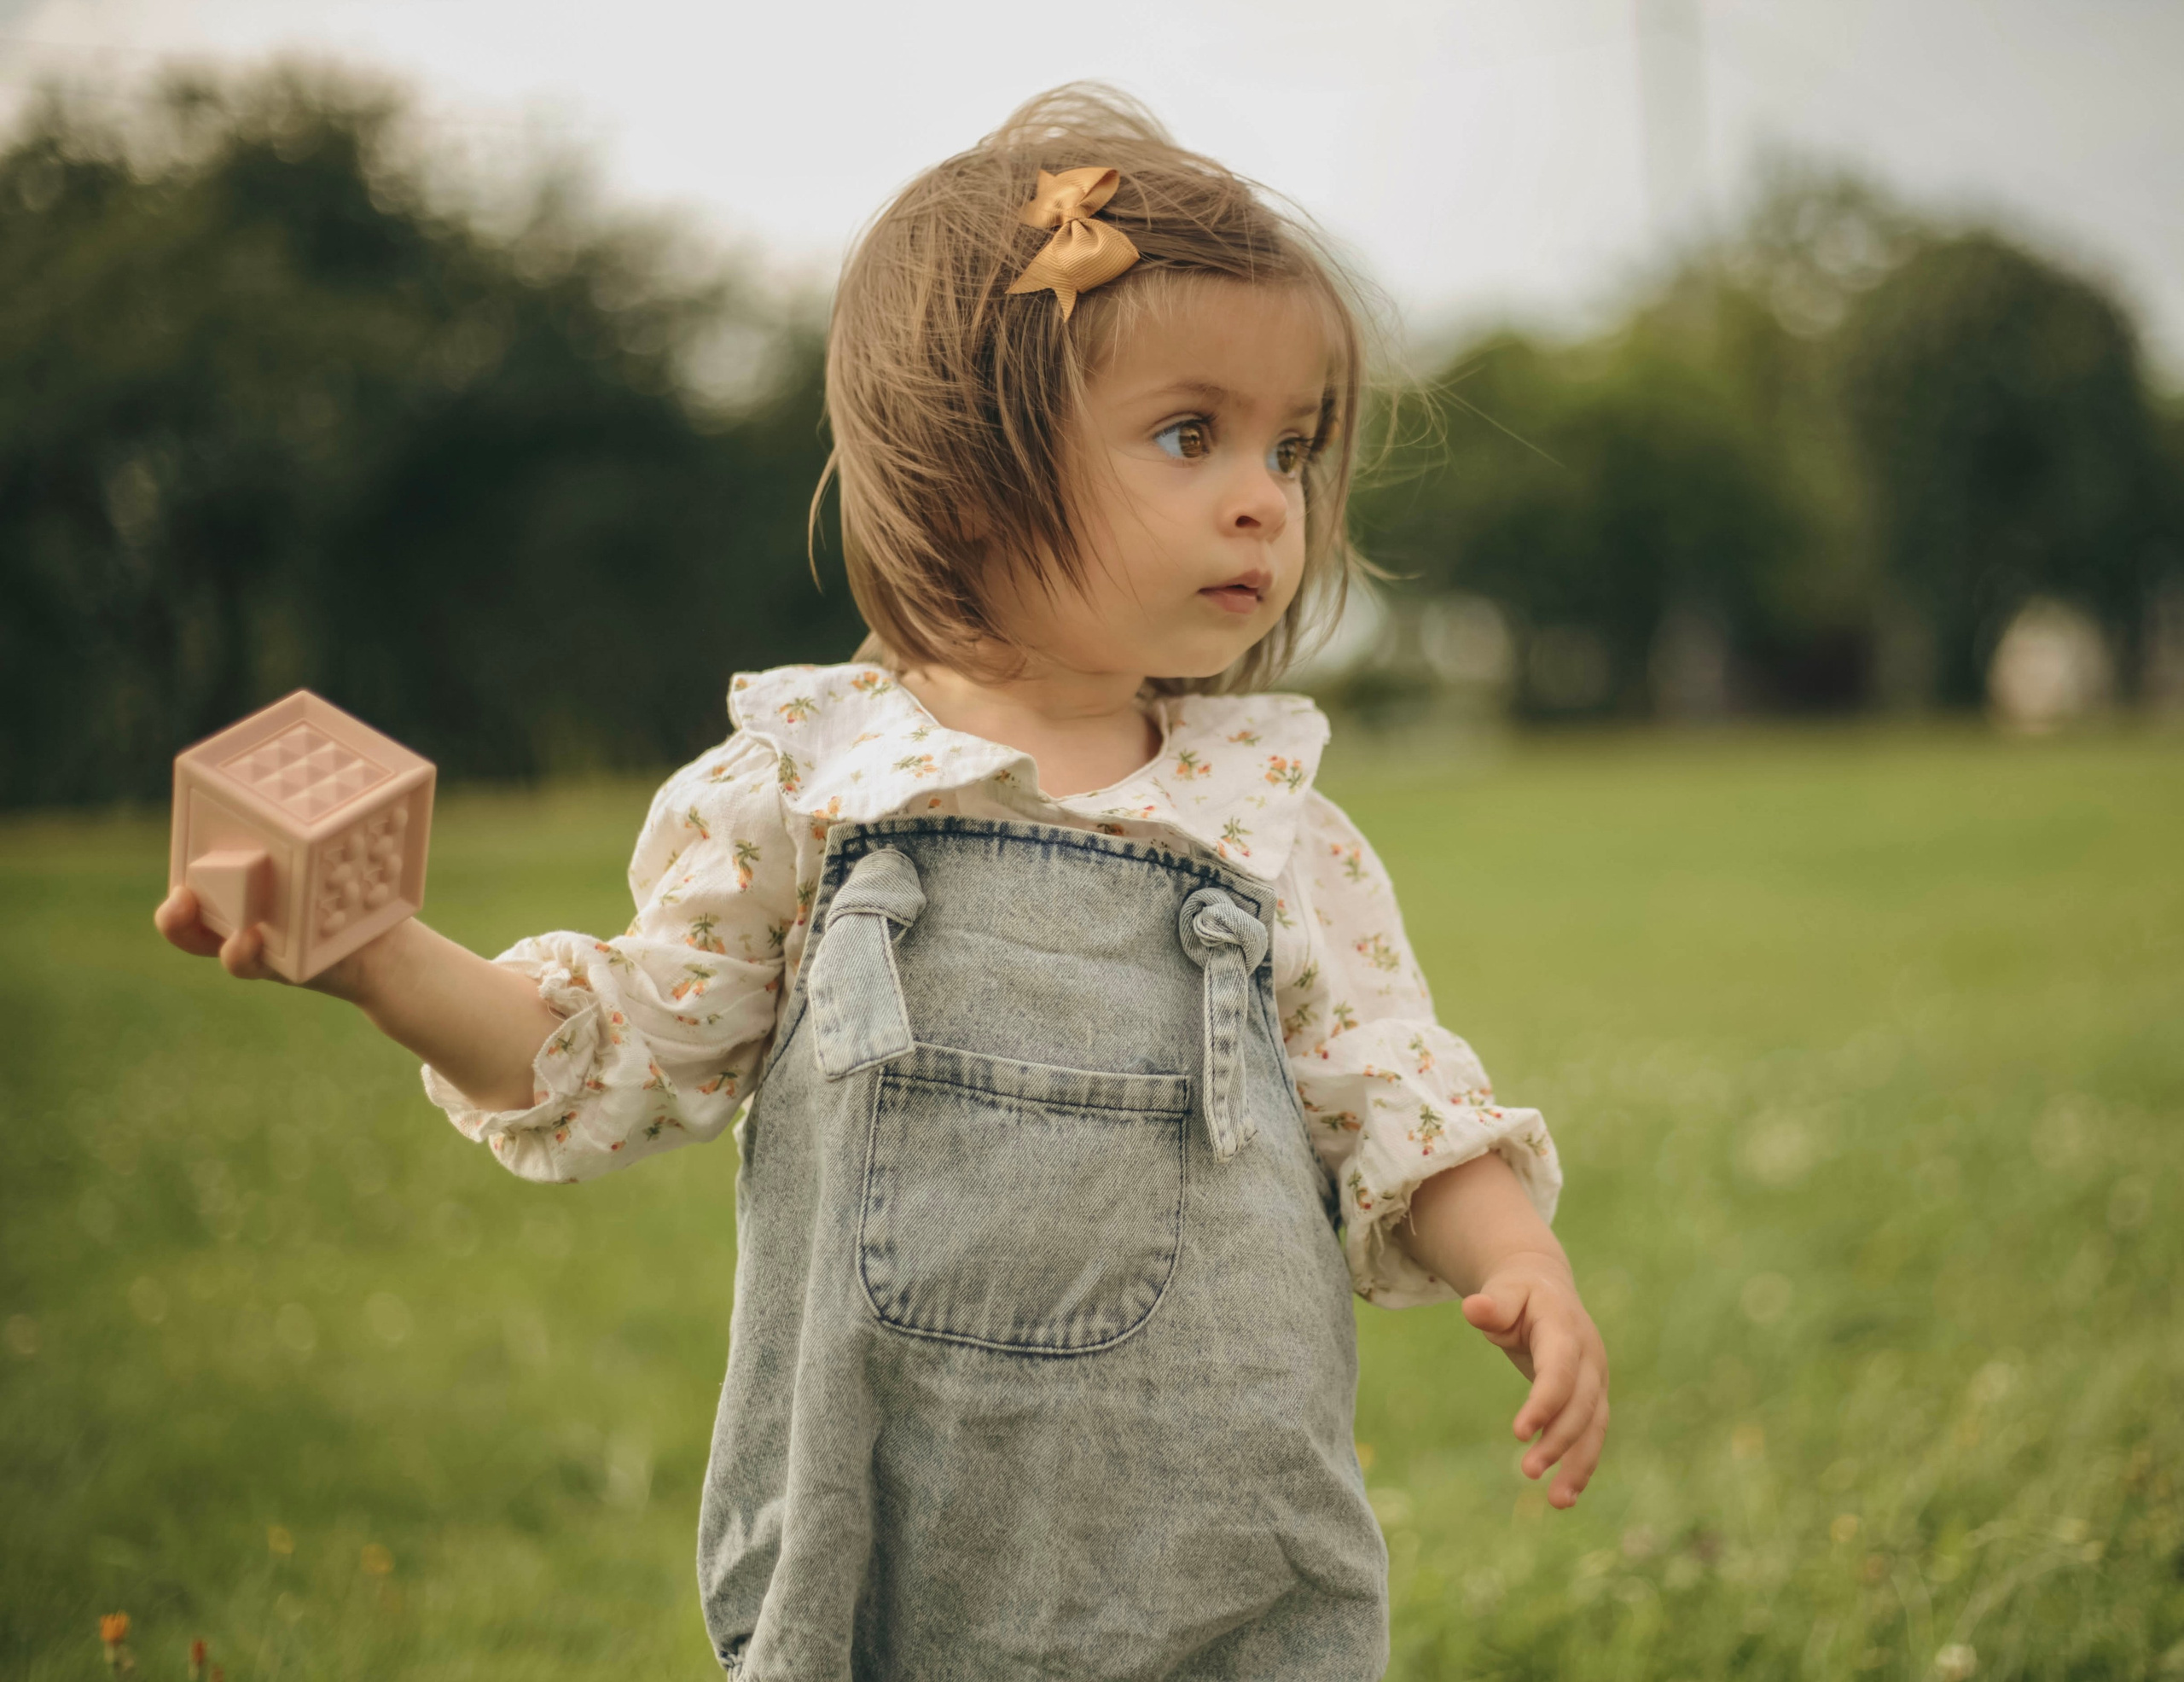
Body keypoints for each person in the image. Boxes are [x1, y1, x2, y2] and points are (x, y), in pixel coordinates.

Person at [155, 84, 1608, 1681]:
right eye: (1192, 434)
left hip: (1223, 1550)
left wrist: (1517, 1260)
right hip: (881, 1537)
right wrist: (380, 959)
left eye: (1293, 445)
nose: (1268, 494)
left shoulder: (1269, 822)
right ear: (972, 473)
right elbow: (626, 1045)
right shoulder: (810, 789)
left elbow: (1391, 1096)